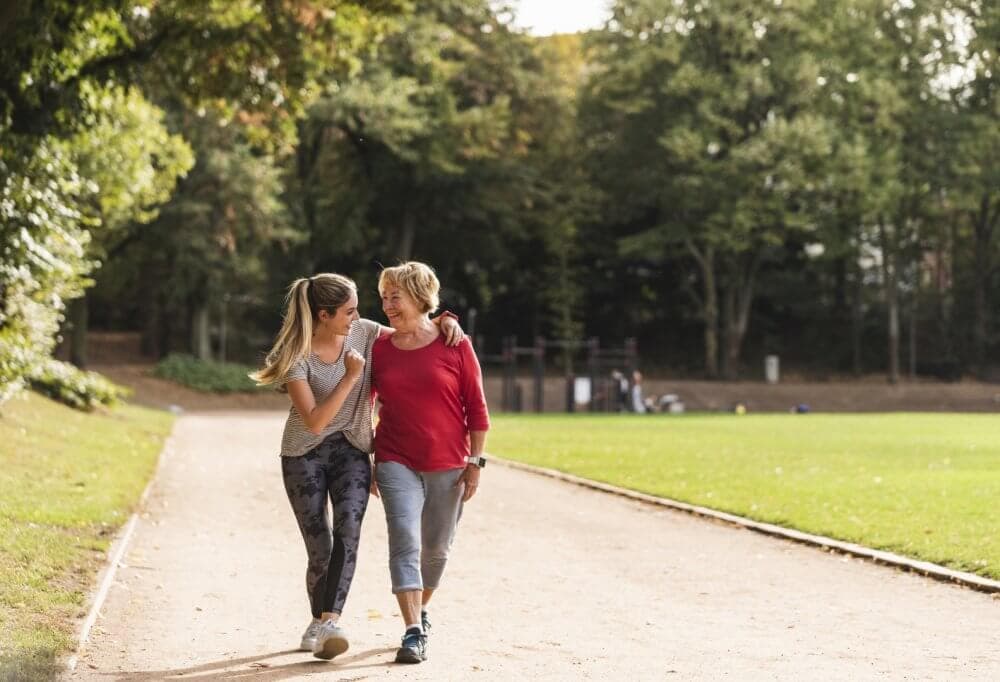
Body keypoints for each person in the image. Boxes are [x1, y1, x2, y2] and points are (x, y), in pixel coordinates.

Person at [250, 273, 463, 660]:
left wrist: (446, 318)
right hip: (304, 453)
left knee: (349, 531)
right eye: (349, 310)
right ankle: (318, 619)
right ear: (325, 314)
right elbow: (315, 421)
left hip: (352, 451)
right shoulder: (295, 357)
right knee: (321, 548)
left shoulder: (363, 331)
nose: (358, 315)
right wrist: (351, 377)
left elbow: (413, 328)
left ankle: (330, 621)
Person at [370, 261, 489, 664]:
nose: (387, 304)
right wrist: (366, 453)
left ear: (420, 298)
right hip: (393, 458)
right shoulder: (379, 347)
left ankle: (421, 609)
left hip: (448, 462)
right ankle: (412, 630)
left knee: (436, 550)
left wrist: (476, 461)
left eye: (395, 296)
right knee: (404, 538)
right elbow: (363, 402)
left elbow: (476, 406)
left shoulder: (455, 343)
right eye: (383, 296)